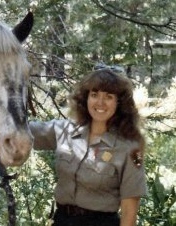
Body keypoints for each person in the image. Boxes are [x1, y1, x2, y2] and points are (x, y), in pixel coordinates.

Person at [29, 68, 147, 226]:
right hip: (62, 220)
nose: (100, 102)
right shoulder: (65, 130)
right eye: (94, 94)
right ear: (85, 98)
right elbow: (19, 132)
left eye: (109, 97)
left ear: (119, 103)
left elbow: (129, 212)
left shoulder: (131, 148)